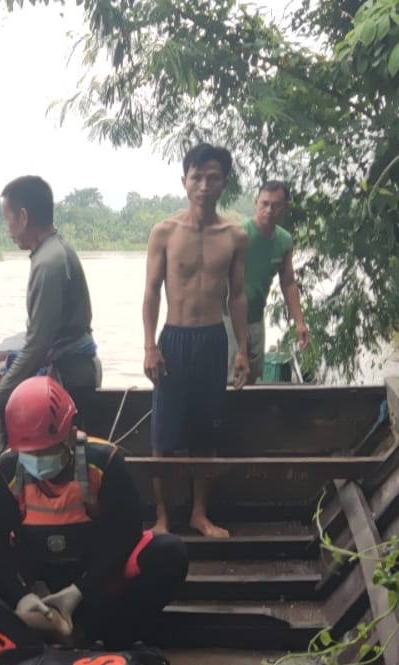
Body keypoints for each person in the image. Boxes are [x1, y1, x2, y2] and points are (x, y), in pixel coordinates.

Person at [0, 376, 186, 648]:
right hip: (35, 582)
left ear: (71, 435)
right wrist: (21, 594)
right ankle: (38, 624)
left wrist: (80, 591)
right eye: (29, 453)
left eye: (46, 450)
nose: (37, 461)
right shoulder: (6, 471)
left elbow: (127, 534)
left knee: (168, 552)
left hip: (94, 579)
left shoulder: (104, 463)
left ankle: (96, 632)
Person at [142, 144, 250, 538]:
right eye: (197, 177)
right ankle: (162, 516)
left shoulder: (235, 235)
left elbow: (237, 296)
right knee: (163, 437)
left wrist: (242, 350)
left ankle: (199, 514)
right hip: (174, 340)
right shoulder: (166, 232)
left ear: (224, 182)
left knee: (206, 433)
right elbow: (152, 291)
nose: (204, 185)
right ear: (184, 181)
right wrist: (150, 345)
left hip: (211, 340)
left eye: (213, 177)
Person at [0, 175, 99, 429]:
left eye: (8, 219)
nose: (7, 229)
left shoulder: (49, 263)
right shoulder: (53, 250)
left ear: (24, 217)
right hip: (73, 363)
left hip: (70, 376)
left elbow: (37, 347)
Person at [233, 180, 309, 382]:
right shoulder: (238, 234)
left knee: (252, 377)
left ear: (285, 208)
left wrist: (299, 322)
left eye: (276, 205)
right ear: (255, 202)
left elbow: (289, 282)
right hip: (228, 319)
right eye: (264, 203)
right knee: (232, 376)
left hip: (256, 318)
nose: (269, 210)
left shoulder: (284, 240)